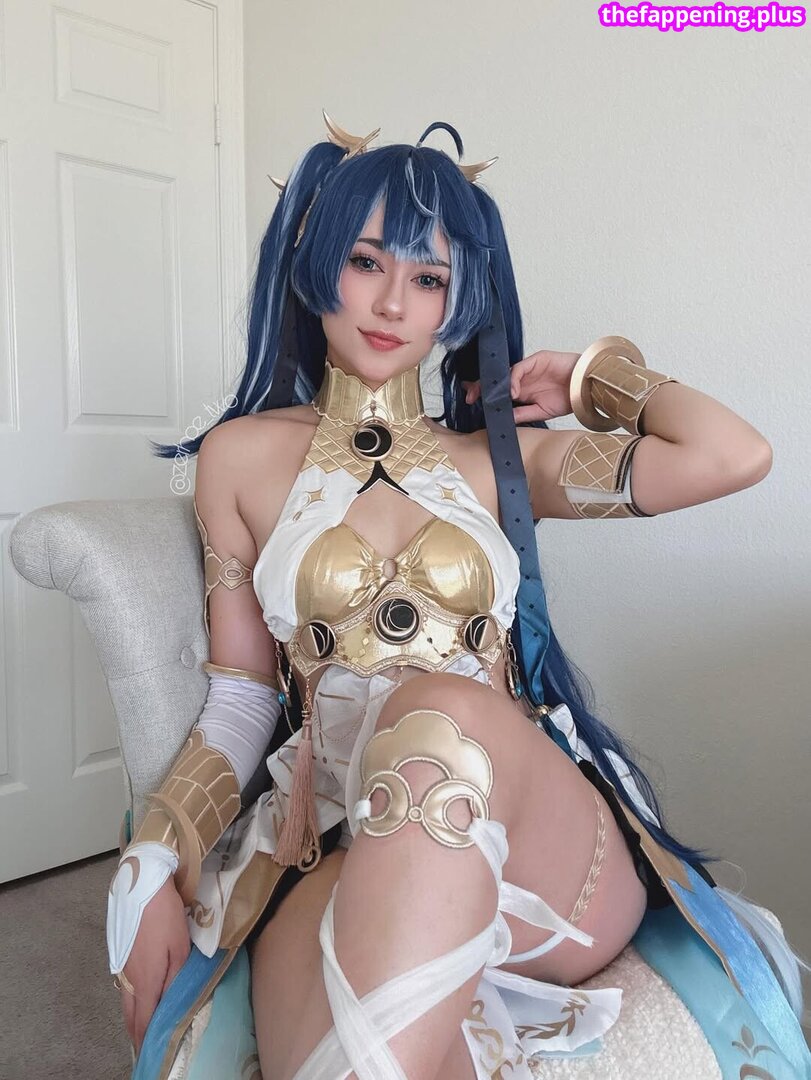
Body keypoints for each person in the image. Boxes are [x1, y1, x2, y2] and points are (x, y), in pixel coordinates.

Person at [106, 113, 810, 1080]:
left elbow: (733, 455)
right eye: (365, 261)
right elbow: (240, 698)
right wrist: (153, 855)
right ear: (313, 263)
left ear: (458, 299)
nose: (393, 301)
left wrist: (594, 379)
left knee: (435, 709)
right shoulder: (240, 459)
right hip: (336, 842)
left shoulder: (499, 461)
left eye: (429, 278)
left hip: (540, 844)